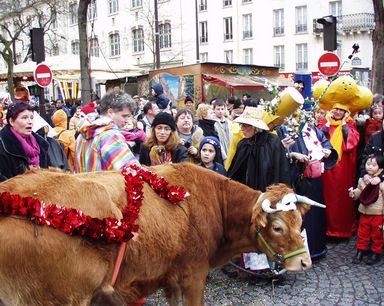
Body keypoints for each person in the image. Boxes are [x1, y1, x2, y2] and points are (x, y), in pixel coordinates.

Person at [278, 120, 337, 259]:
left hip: (315, 177)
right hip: (298, 178)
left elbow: (325, 143)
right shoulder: (283, 128)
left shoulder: (313, 129)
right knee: (301, 214)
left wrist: (328, 151)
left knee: (316, 212)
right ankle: (301, 249)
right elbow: (280, 150)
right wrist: (291, 154)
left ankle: (318, 247)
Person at [318, 103, 360, 238]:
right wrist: (328, 123)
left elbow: (351, 142)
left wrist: (343, 124)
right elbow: (317, 138)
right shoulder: (325, 122)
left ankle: (341, 229)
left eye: (341, 110)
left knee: (341, 198)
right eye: (335, 108)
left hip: (343, 169)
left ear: (346, 112)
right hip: (326, 168)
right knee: (325, 195)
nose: (337, 112)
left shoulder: (349, 124)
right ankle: (325, 228)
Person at [227, 106, 290, 191]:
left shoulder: (273, 142)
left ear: (255, 127)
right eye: (241, 124)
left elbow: (281, 172)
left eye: (245, 125)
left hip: (267, 196)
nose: (241, 128)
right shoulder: (243, 144)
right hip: (246, 196)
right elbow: (235, 173)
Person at [75, 89, 138, 173]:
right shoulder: (111, 135)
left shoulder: (83, 133)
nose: (127, 120)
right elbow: (132, 171)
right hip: (105, 185)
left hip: (85, 184)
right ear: (110, 112)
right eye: (124, 116)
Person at [0, 102, 50, 181]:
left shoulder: (41, 144)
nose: (30, 121)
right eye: (24, 118)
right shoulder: (3, 146)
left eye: (31, 117)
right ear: (11, 121)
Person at [349, 154, 384, 265]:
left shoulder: (382, 182)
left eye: (374, 165)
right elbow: (359, 191)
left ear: (381, 168)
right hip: (364, 211)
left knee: (377, 235)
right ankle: (360, 251)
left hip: (378, 214)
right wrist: (353, 193)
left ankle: (376, 253)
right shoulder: (362, 179)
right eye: (368, 164)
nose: (370, 167)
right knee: (362, 233)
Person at [212, 98, 231, 164]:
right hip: (220, 153)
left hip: (230, 150)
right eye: (218, 109)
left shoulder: (229, 122)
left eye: (222, 109)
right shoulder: (212, 123)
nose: (220, 111)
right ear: (214, 110)